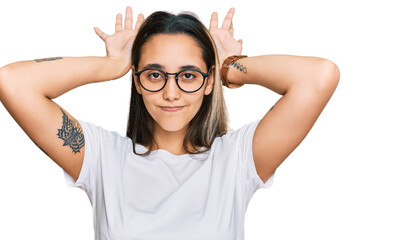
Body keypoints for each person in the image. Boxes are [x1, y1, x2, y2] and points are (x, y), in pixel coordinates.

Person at [0, 6, 340, 240]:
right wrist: (112, 65)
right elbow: (13, 83)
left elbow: (318, 76)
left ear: (208, 83)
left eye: (188, 76)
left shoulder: (237, 160)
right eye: (154, 74)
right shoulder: (101, 157)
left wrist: (229, 66)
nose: (171, 92)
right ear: (137, 80)